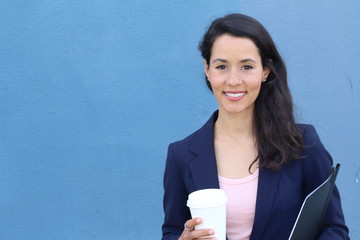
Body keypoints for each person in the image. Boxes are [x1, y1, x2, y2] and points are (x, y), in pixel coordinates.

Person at [161, 13, 349, 240]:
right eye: (222, 66)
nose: (233, 80)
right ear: (207, 69)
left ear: (265, 71)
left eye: (246, 67)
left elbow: (333, 229)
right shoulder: (180, 155)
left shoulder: (302, 142)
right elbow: (172, 231)